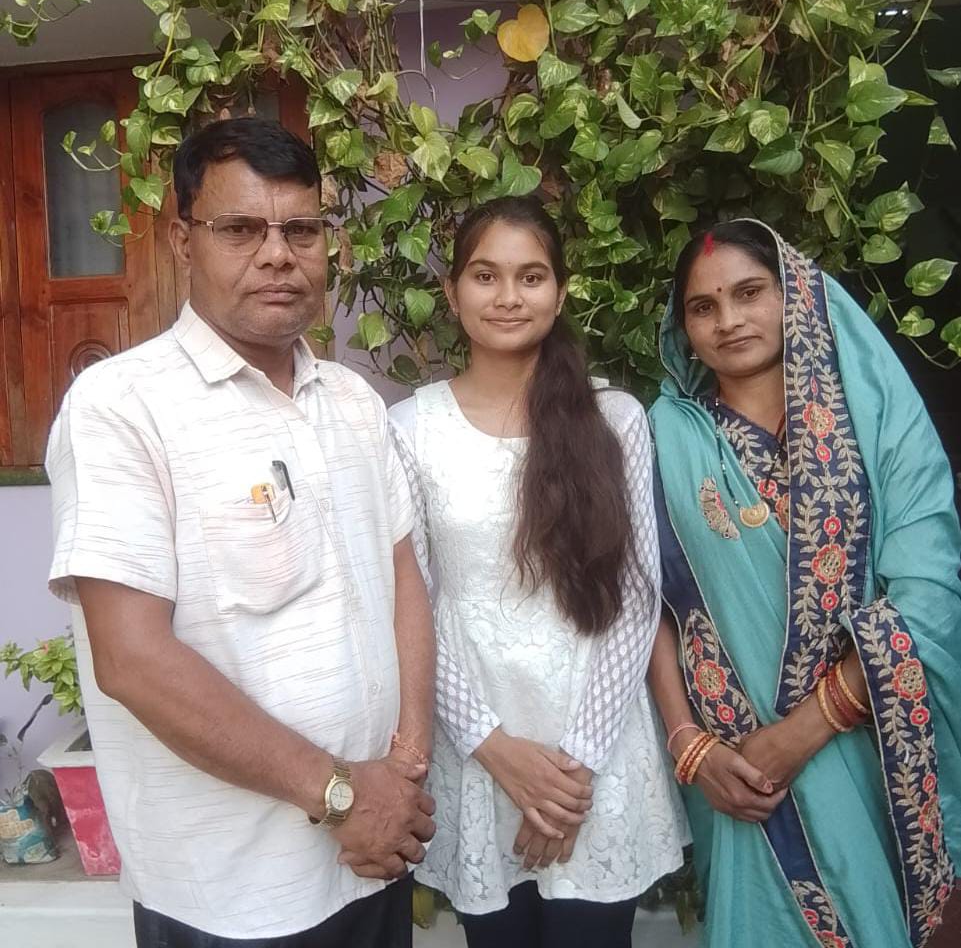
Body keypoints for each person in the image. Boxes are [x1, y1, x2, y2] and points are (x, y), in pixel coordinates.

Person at [45, 118, 436, 948]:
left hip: (371, 854)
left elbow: (401, 575)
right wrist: (340, 794)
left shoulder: (354, 404)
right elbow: (133, 661)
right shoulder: (122, 407)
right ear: (183, 241)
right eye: (240, 229)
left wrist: (403, 767)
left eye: (301, 230)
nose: (277, 255)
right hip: (230, 893)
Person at [646, 218, 961, 947]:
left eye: (749, 292)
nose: (728, 320)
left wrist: (808, 726)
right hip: (737, 773)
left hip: (868, 752)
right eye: (702, 306)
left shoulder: (876, 422)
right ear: (682, 327)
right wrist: (690, 744)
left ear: (795, 297)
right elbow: (647, 604)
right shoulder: (665, 436)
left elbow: (928, 593)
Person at [388, 196, 687, 948]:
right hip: (478, 745)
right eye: (485, 275)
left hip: (595, 748)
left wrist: (574, 768)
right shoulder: (410, 428)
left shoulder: (614, 418)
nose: (508, 296)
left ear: (559, 292)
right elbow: (416, 602)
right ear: (453, 291)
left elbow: (636, 597)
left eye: (531, 276)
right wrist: (493, 748)